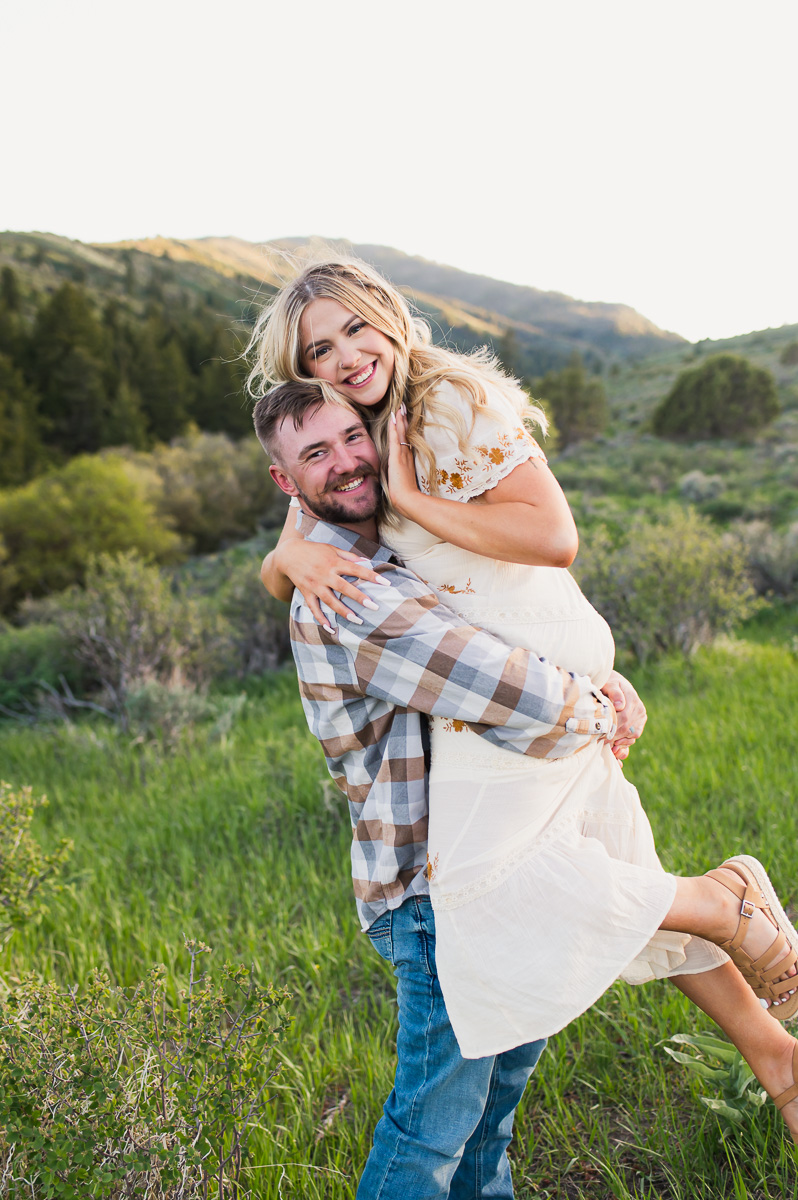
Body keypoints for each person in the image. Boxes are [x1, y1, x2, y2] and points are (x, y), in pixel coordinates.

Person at [248, 262, 798, 1143]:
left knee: (495, 888)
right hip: (506, 668)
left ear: (390, 318)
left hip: (514, 673)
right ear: (304, 371)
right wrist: (286, 561)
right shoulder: (355, 432)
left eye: (357, 328)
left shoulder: (442, 399)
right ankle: (774, 1055)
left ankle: (720, 901)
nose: (346, 356)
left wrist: (413, 501)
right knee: (612, 861)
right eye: (321, 349)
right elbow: (293, 545)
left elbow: (554, 536)